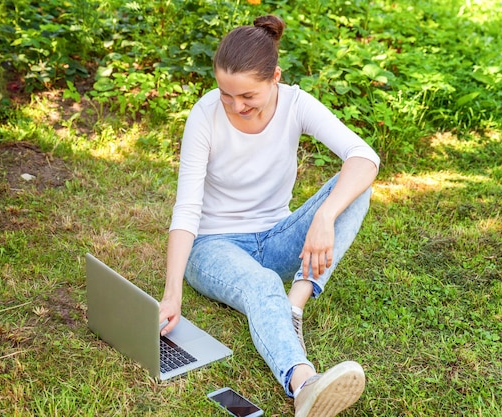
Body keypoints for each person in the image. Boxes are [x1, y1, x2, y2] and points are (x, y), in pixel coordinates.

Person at [158, 15, 380, 417]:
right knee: (260, 283)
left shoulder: (296, 103)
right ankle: (304, 386)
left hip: (275, 235)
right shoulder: (204, 116)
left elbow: (364, 157)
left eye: (247, 96)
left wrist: (325, 216)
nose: (235, 106)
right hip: (213, 246)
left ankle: (293, 305)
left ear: (274, 77)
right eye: (226, 94)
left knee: (355, 190)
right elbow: (187, 210)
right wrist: (172, 293)